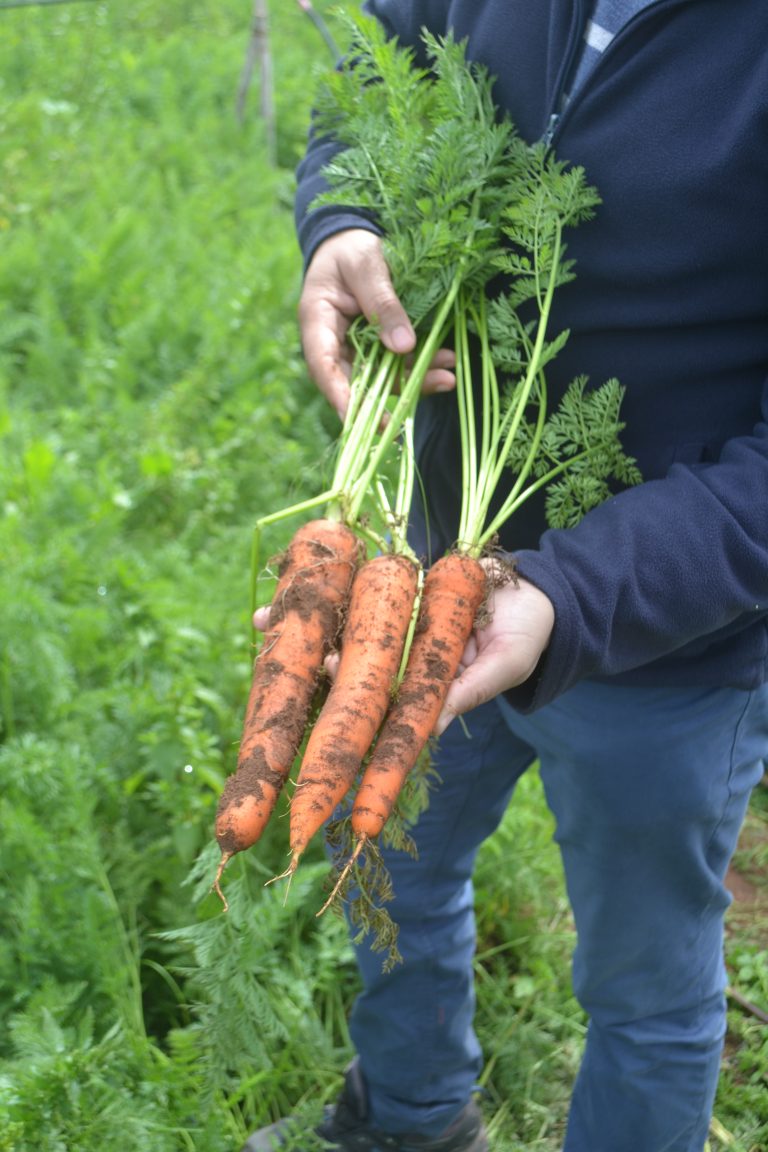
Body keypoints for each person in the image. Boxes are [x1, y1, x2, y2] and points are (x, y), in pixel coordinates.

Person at [244, 2, 768, 1150]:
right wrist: (341, 213)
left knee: (644, 983)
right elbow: (373, 77)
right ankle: (413, 1114)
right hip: (430, 579)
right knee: (383, 840)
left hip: (664, 640)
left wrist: (571, 596)